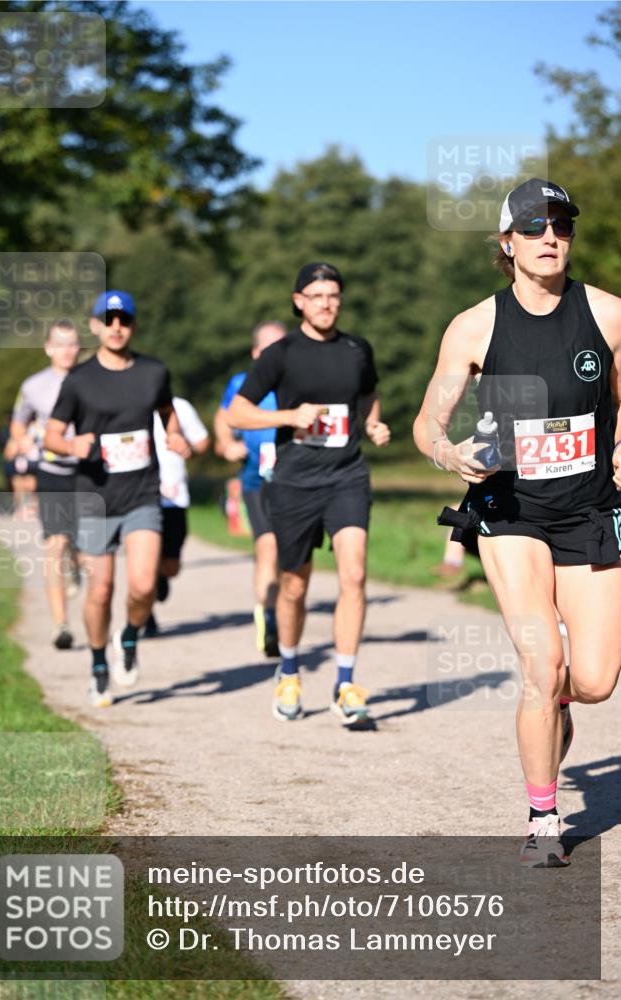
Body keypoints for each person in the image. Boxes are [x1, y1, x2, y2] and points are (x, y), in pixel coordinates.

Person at [413, 178, 621, 867]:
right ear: (507, 243)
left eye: (559, 224)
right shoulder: (475, 326)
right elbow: (426, 424)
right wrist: (448, 454)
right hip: (509, 510)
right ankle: (542, 819)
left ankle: (551, 707)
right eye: (532, 227)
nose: (549, 237)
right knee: (542, 664)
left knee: (590, 681)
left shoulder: (609, 316)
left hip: (588, 510)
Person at [228, 263, 391, 726]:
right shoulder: (280, 354)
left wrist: (373, 422)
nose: (326, 303)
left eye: (333, 295)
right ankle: (290, 670)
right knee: (295, 584)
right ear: (298, 300)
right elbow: (237, 415)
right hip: (295, 480)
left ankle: (345, 682)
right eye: (317, 295)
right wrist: (287, 418)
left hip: (347, 475)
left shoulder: (358, 349)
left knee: (354, 575)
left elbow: (367, 395)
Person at [44, 290, 189, 707]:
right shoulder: (79, 380)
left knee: (143, 585)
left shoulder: (153, 371)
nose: (116, 327)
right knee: (101, 590)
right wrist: (73, 447)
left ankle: (128, 637)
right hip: (95, 497)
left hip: (143, 492)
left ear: (133, 325)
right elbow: (53, 434)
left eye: (123, 320)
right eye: (108, 321)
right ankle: (98, 665)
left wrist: (175, 434)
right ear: (94, 326)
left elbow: (166, 411)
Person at [214, 321, 287, 657]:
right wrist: (227, 443)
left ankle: (279, 607)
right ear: (255, 353)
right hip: (256, 479)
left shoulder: (300, 383)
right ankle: (268, 614)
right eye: (268, 349)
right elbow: (224, 417)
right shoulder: (241, 383)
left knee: (292, 556)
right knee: (268, 546)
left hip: (295, 478)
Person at [7, 321, 81, 648]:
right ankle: (60, 625)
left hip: (89, 472)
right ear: (48, 347)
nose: (67, 350)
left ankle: (75, 560)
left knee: (80, 544)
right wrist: (25, 442)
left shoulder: (92, 379)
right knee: (54, 545)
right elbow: (18, 426)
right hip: (52, 472)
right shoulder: (33, 386)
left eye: (73, 344)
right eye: (61, 344)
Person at [144, 395, 210, 636]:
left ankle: (162, 578)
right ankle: (147, 614)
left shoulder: (180, 407)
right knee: (145, 558)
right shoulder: (127, 402)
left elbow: (203, 442)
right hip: (140, 495)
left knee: (171, 565)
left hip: (174, 496)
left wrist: (187, 446)